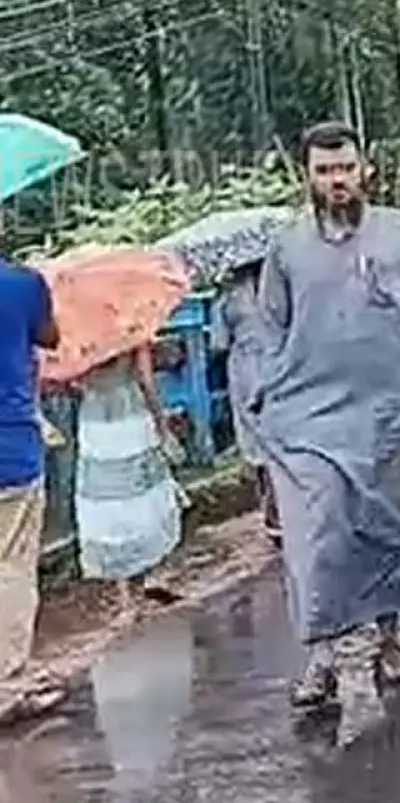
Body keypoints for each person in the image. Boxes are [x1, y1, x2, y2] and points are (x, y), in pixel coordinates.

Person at [256, 120, 400, 710]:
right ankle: (320, 658)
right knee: (320, 537)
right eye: (324, 171)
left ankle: (389, 644)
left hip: (393, 412)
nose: (336, 180)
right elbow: (271, 328)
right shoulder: (286, 246)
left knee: (390, 528)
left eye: (345, 168)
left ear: (364, 168)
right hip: (310, 421)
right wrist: (264, 406)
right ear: (308, 177)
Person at [71, 342, 185, 617]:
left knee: (109, 499)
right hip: (131, 414)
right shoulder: (133, 329)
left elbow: (71, 383)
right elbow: (146, 381)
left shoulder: (78, 334)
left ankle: (124, 599)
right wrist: (162, 424)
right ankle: (151, 573)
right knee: (143, 493)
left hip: (95, 421)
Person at [0, 242, 61, 728]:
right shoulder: (23, 284)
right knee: (12, 569)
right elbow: (50, 337)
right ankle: (6, 685)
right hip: (11, 449)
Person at [208, 262, 278, 544]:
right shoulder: (277, 291)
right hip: (277, 367)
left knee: (255, 443)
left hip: (245, 373)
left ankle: (271, 513)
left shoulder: (227, 299)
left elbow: (218, 343)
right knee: (281, 437)